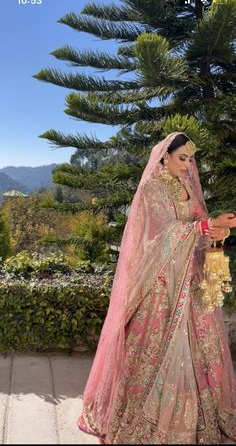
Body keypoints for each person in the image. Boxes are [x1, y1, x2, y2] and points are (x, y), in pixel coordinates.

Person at [77, 131, 236, 444]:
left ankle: (201, 414)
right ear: (165, 155)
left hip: (189, 283)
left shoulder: (188, 187)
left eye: (190, 159)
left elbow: (198, 234)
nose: (187, 165)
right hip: (162, 286)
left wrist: (217, 229)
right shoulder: (153, 188)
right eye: (181, 158)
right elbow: (160, 239)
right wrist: (203, 226)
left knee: (200, 351)